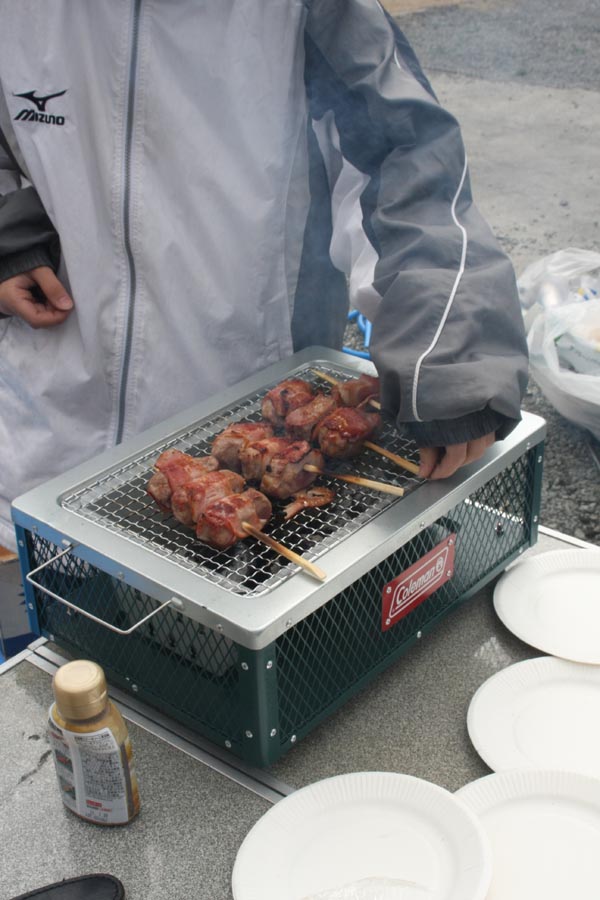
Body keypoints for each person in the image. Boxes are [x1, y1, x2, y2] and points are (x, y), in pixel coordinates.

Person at [0, 0, 528, 552]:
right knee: (45, 630)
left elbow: (405, 166)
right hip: (46, 437)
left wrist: (449, 351)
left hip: (246, 402)